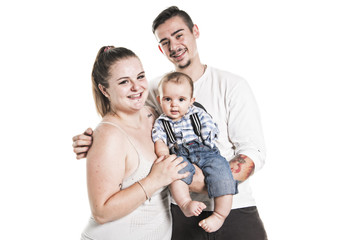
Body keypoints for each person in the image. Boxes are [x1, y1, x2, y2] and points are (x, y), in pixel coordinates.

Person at [73, 6, 267, 240]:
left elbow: (253, 152)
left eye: (178, 35)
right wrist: (93, 139)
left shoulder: (231, 85)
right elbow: (127, 124)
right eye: (165, 42)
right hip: (179, 212)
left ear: (195, 31)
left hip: (234, 208)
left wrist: (210, 181)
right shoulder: (153, 89)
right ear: (159, 48)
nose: (174, 46)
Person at [79, 45, 189, 240]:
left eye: (140, 76)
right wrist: (154, 180)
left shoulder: (153, 115)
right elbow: (101, 212)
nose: (137, 87)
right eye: (124, 82)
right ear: (104, 89)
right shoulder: (109, 135)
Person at [152, 71, 238, 233]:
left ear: (192, 101)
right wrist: (164, 156)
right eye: (167, 99)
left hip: (205, 150)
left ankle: (219, 215)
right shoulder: (161, 123)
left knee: (222, 171)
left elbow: (210, 127)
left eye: (181, 100)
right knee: (177, 174)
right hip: (180, 153)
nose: (174, 104)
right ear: (159, 100)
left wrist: (208, 137)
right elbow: (160, 142)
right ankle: (185, 203)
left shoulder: (197, 113)